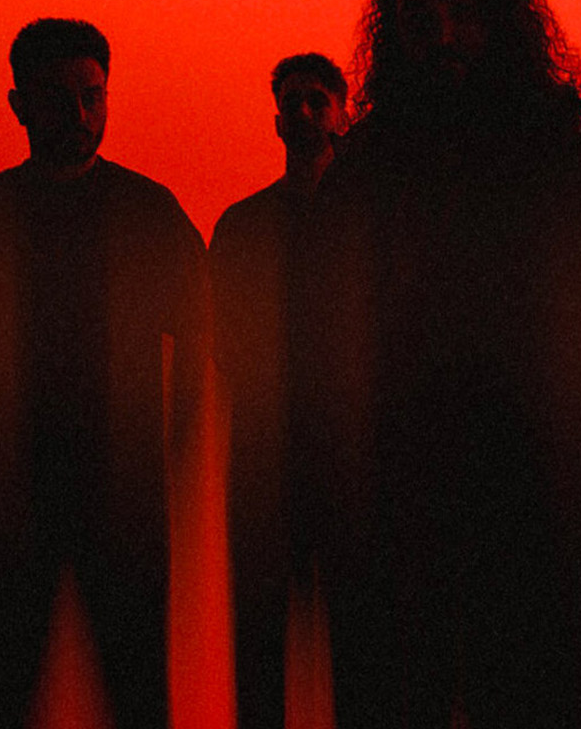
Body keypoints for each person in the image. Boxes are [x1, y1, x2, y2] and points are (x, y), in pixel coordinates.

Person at [287, 0, 581, 728]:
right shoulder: (369, 169)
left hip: (540, 505)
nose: (443, 35)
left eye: (462, 10)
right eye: (421, 16)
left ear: (501, 20)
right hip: (404, 504)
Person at [0, 19, 208, 729]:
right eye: (58, 98)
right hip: (14, 507)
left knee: (131, 697)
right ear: (19, 104)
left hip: (116, 505)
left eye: (92, 96)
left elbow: (198, 349)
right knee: (9, 699)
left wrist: (167, 467)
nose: (78, 115)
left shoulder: (149, 214)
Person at [209, 52, 349, 729]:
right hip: (269, 465)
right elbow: (224, 342)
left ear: (342, 115)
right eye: (292, 101)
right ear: (275, 120)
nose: (302, 112)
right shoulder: (242, 226)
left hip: (351, 465)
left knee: (359, 649)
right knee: (263, 646)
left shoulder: (364, 225)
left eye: (315, 100)